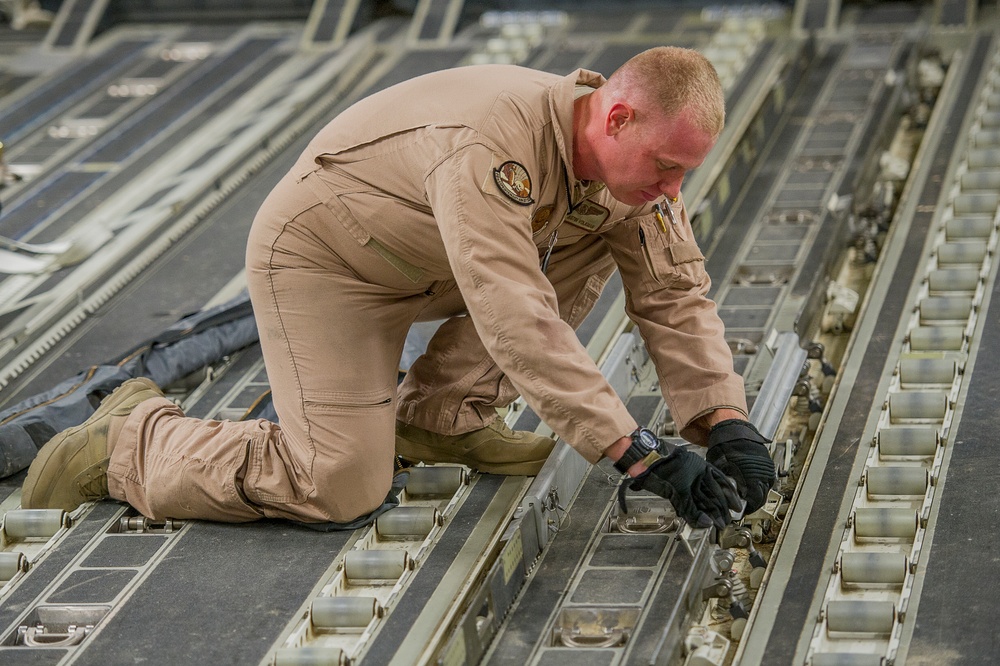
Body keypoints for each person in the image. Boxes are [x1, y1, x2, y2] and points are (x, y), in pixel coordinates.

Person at [21, 46, 775, 531]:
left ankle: (442, 416)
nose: (674, 187)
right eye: (669, 166)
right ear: (616, 116)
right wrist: (640, 454)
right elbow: (512, 312)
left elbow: (674, 292)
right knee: (339, 485)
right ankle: (128, 440)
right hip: (328, 267)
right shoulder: (494, 143)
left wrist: (723, 418)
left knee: (611, 230)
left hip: (428, 263)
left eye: (684, 172)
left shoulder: (627, 170)